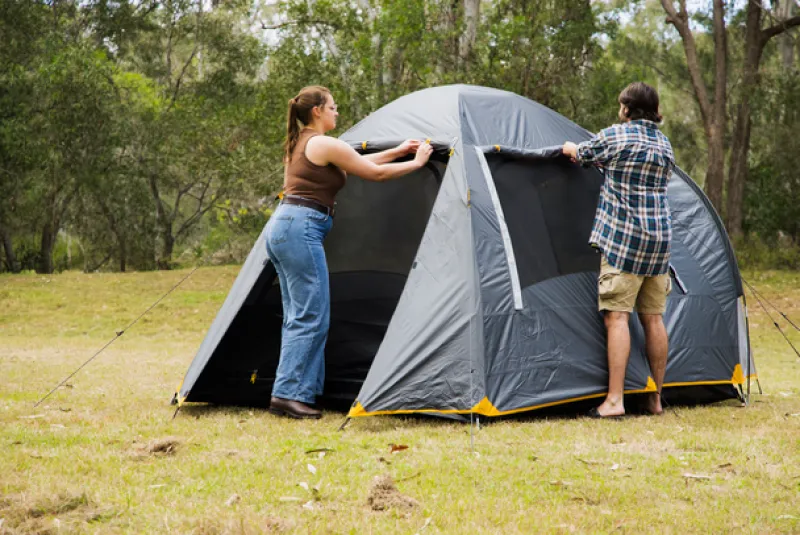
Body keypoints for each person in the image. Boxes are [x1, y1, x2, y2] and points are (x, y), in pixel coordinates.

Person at [266, 85, 433, 419]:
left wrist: (398, 149)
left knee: (301, 314)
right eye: (333, 107)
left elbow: (354, 163)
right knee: (311, 315)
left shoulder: (304, 142)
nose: (336, 112)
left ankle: (299, 392)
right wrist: (416, 162)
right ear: (317, 111)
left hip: (286, 228)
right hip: (301, 228)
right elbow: (374, 173)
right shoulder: (323, 142)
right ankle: (287, 395)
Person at [562, 82, 675, 418]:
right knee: (654, 319)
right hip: (659, 243)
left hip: (624, 241)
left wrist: (569, 146)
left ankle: (614, 400)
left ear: (627, 108)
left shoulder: (617, 135)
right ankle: (655, 399)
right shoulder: (664, 145)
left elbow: (580, 153)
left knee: (617, 318)